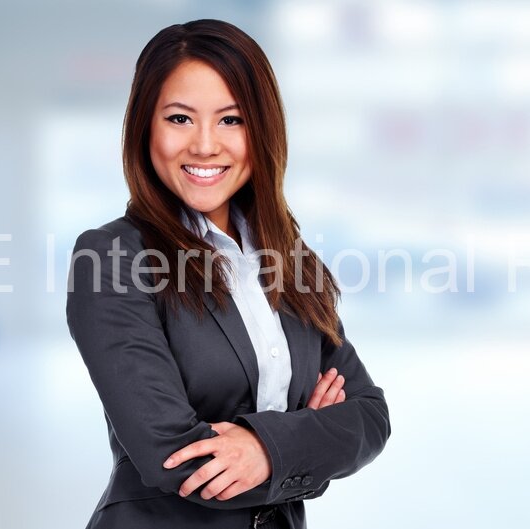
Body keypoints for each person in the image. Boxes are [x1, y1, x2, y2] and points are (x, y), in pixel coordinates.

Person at [66, 19, 390, 529]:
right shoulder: (112, 257)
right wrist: (304, 440)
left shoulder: (290, 260)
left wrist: (265, 449)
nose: (204, 145)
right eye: (179, 118)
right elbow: (174, 459)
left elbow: (369, 415)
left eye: (231, 120)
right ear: (145, 128)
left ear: (261, 130)